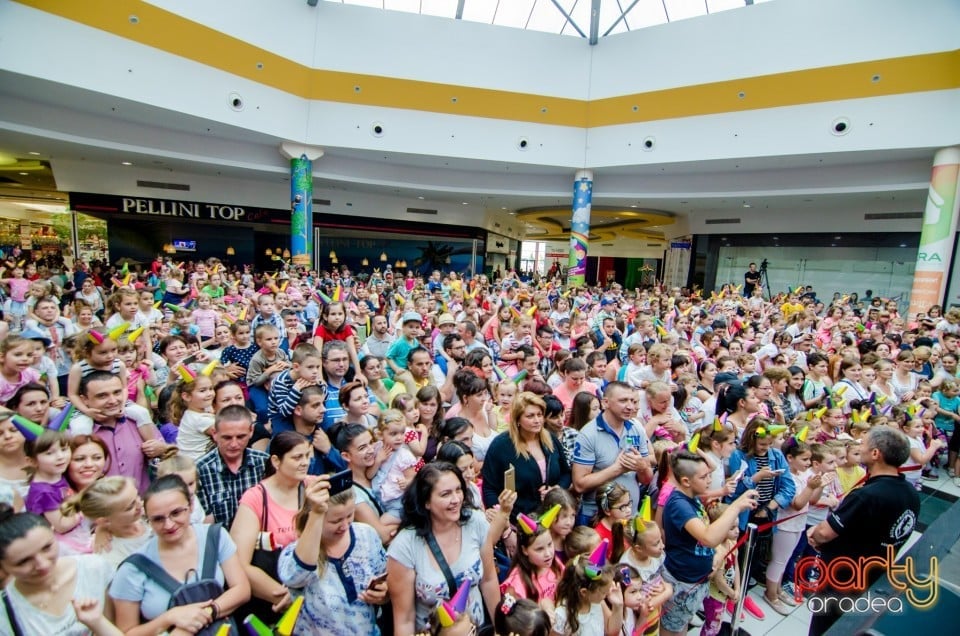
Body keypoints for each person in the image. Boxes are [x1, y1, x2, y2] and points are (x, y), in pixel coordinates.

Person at [806, 426, 921, 636]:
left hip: (842, 580)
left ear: (876, 453)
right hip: (875, 579)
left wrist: (815, 531)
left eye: (863, 444)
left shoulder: (867, 495)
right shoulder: (911, 494)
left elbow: (823, 533)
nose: (860, 447)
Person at [110, 475, 251, 635]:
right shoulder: (133, 568)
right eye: (158, 519)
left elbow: (241, 588)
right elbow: (126, 632)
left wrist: (206, 614)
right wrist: (169, 619)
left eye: (176, 513)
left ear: (190, 505)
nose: (168, 525)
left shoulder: (214, 536)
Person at [387, 462, 500, 633]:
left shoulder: (476, 522)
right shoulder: (404, 546)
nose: (456, 500)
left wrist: (500, 629)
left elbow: (489, 580)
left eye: (458, 490)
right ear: (426, 502)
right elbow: (404, 619)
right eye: (446, 494)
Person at [278, 475, 389, 636]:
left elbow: (385, 580)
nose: (344, 525)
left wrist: (383, 594)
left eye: (350, 516)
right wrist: (317, 512)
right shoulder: (295, 553)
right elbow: (295, 575)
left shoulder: (367, 535)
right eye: (335, 521)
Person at [0, 504, 120, 636]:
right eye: (24, 562)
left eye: (47, 548)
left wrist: (98, 623)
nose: (43, 564)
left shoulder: (94, 569)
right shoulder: (5, 609)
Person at [230, 431, 310, 622]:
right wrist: (283, 597)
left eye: (307, 455)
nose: (305, 462)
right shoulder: (256, 498)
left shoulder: (313, 487)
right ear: (276, 461)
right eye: (297, 457)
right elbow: (239, 563)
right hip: (273, 598)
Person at [572, 381, 654, 524]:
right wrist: (617, 469)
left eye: (632, 401)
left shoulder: (636, 428)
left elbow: (646, 479)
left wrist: (643, 467)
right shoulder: (588, 434)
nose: (630, 406)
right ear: (605, 403)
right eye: (623, 400)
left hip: (630, 516)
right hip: (597, 519)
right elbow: (579, 485)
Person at [481, 392, 573, 518]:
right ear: (518, 419)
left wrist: (556, 489)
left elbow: (566, 473)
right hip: (518, 519)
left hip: (553, 515)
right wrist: (502, 519)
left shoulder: (550, 439)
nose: (537, 420)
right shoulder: (501, 446)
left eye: (539, 415)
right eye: (530, 416)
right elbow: (489, 488)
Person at [196, 405, 269, 527]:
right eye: (227, 438)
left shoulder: (264, 463)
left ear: (251, 431)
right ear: (214, 433)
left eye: (241, 437)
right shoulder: (200, 470)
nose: (234, 444)